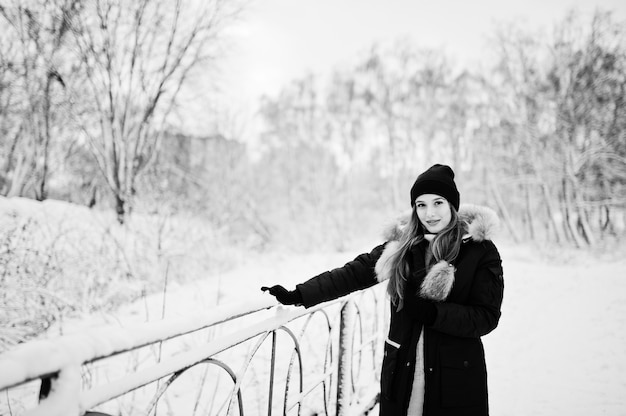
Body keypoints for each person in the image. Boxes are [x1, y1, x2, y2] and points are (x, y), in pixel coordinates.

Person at [262, 164, 504, 416]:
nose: (429, 213)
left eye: (438, 203)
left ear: (452, 205)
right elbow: (353, 273)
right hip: (402, 375)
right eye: (421, 204)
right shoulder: (402, 247)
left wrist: (432, 314)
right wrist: (300, 294)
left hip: (454, 381)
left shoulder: (479, 251)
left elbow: (486, 317)